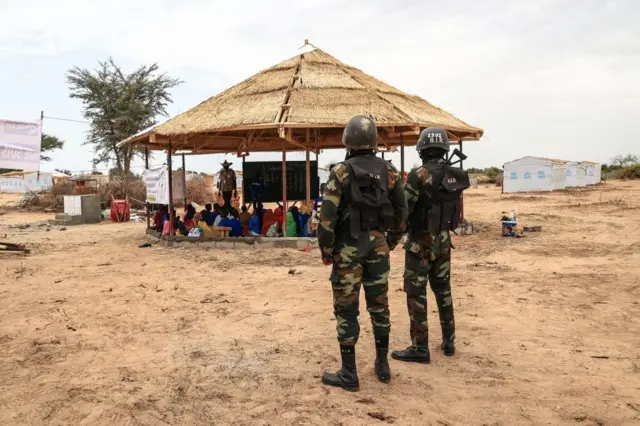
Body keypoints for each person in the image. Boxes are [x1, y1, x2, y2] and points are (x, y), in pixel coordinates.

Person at [318, 115, 407, 391]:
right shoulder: (390, 171)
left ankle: (349, 373)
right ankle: (382, 364)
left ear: (348, 140)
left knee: (346, 309)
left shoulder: (341, 172)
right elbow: (402, 212)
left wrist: (326, 249)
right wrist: (390, 241)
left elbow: (327, 216)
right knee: (379, 306)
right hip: (378, 246)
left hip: (348, 249)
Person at [391, 128, 469, 364]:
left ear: (422, 149)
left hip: (420, 245)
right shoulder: (452, 174)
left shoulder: (418, 175)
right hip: (444, 242)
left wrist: (393, 238)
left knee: (416, 294)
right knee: (443, 292)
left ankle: (419, 347)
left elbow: (405, 209)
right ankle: (449, 343)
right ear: (444, 149)